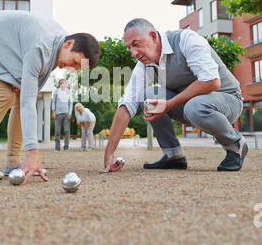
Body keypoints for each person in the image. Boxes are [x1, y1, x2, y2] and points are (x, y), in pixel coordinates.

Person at [0, 10, 100, 184]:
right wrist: (32, 152)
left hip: (3, 49)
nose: (71, 69)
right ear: (69, 44)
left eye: (77, 69)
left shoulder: (59, 48)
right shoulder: (41, 47)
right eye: (75, 62)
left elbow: (28, 94)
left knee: (19, 97)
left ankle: (13, 162)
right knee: (3, 96)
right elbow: (29, 102)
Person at [104, 18, 248, 173]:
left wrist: (168, 105)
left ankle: (236, 146)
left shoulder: (187, 40)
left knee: (195, 106)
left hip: (227, 99)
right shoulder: (145, 64)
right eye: (129, 48)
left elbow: (212, 81)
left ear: (153, 36)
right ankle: (173, 155)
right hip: (190, 106)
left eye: (136, 44)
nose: (133, 53)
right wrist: (109, 153)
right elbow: (127, 104)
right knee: (148, 95)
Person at [52, 78, 73, 151]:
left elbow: (71, 103)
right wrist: (53, 112)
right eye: (60, 83)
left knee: (67, 130)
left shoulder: (69, 91)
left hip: (66, 114)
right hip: (58, 114)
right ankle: (57, 148)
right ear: (59, 84)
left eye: (63, 83)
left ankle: (66, 147)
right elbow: (53, 102)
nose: (62, 84)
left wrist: (70, 113)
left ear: (65, 83)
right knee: (57, 131)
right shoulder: (56, 91)